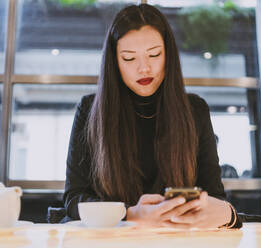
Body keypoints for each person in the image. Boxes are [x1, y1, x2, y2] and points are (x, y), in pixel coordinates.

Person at [63, 4, 241, 229]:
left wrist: (220, 212)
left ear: (168, 54)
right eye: (129, 59)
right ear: (114, 63)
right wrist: (127, 214)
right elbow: (73, 199)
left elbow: (214, 196)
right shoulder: (90, 110)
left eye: (154, 54)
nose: (144, 68)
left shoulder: (194, 110)